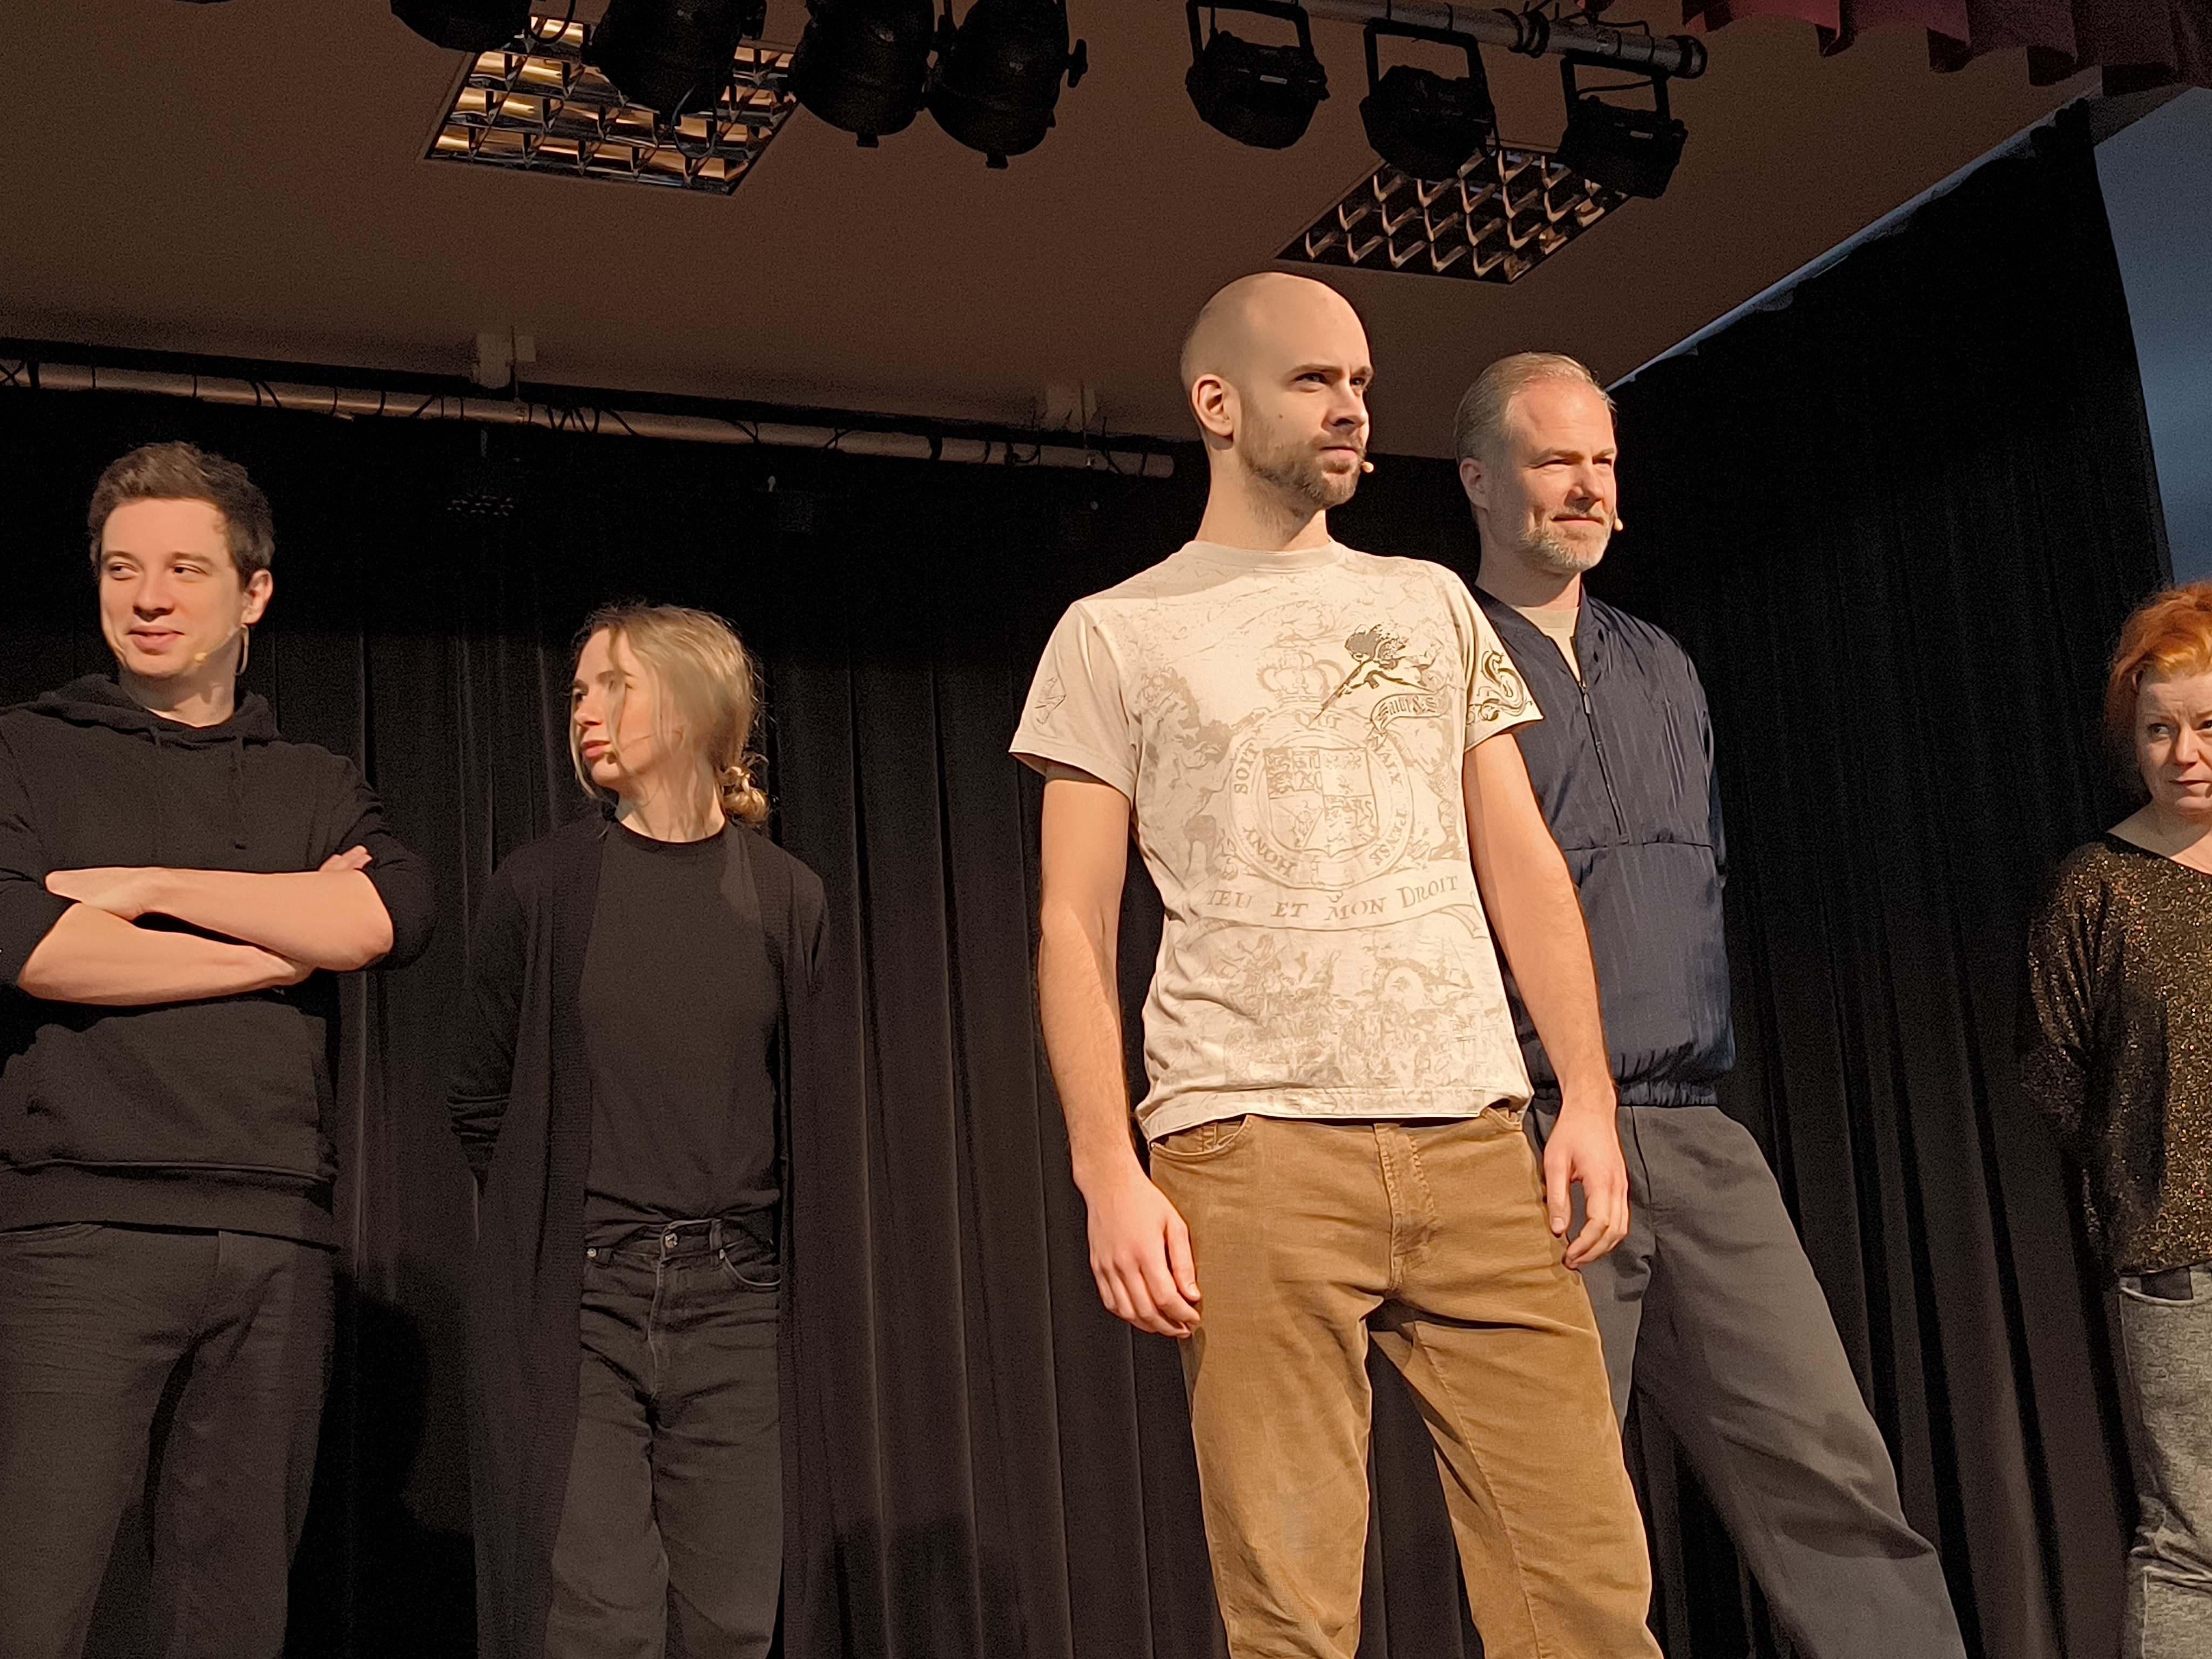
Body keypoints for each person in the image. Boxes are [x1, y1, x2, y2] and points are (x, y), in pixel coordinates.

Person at [1011, 274, 1659, 1659]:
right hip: (1251, 1151)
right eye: (1313, 380)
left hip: (1476, 1142)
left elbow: (1519, 861)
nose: (1352, 408)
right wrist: (1107, 1170)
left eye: (1360, 382)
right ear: (1216, 403)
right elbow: (1072, 921)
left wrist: (1588, 1098)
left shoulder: (1427, 603)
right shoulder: (1114, 631)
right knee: (1293, 1617)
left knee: (1589, 1596)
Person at [1459, 353, 1968, 1658]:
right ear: (1477, 481)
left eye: (1601, 461)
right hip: (1530, 1138)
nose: (1586, 486)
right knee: (1561, 1522)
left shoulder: (1660, 664)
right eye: (1553, 460)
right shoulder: (1440, 658)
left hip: (1693, 1127)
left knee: (1826, 1467)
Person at [0, 441, 434, 1659]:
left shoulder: (310, 779)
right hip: (81, 1230)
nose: (148, 597)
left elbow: (391, 916)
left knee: (232, 1618)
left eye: (186, 569)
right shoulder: (24, 750)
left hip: (274, 1238)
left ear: (254, 593)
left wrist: (150, 889)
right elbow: (34, 945)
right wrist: (278, 949)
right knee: (34, 1602)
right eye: (122, 568)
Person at [448, 603, 827, 1659]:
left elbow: (807, 1112)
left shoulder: (785, 898)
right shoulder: (541, 887)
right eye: (578, 691)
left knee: (730, 1625)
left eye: (616, 686)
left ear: (699, 706)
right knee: (598, 1626)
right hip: (583, 1302)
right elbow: (479, 1100)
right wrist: (547, 1226)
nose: (585, 711)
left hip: (737, 1304)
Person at [2023, 581, 2212, 1659]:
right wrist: (2142, 1168)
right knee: (2195, 1542)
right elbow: (2054, 1069)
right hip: (2179, 1262)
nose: (2184, 754)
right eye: (2158, 730)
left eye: (2206, 725)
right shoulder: (2097, 889)